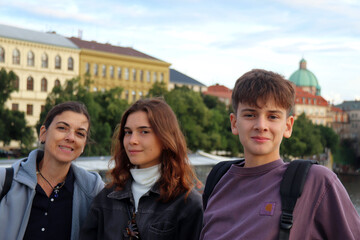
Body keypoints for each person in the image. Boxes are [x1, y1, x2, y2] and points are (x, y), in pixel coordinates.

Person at [200, 69, 360, 239]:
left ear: (288, 126)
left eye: (273, 117)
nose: (261, 125)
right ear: (234, 123)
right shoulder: (218, 179)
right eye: (250, 114)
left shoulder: (316, 182)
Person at [80, 98, 203, 240]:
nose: (132, 140)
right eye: (128, 132)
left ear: (165, 138)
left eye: (144, 132)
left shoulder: (188, 204)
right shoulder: (106, 198)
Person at [0, 101, 104, 240]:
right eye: (62, 128)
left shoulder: (93, 190)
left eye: (80, 133)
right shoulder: (4, 182)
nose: (71, 137)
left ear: (84, 144)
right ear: (43, 133)